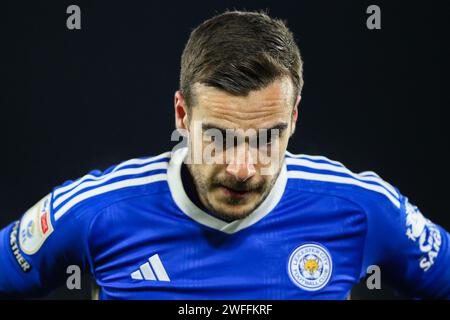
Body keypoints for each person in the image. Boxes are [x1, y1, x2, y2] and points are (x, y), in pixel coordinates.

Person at [0, 10, 449, 299]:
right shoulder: (94, 212)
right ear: (181, 115)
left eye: (266, 138)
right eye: (217, 137)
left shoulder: (362, 208)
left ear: (292, 119)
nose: (241, 169)